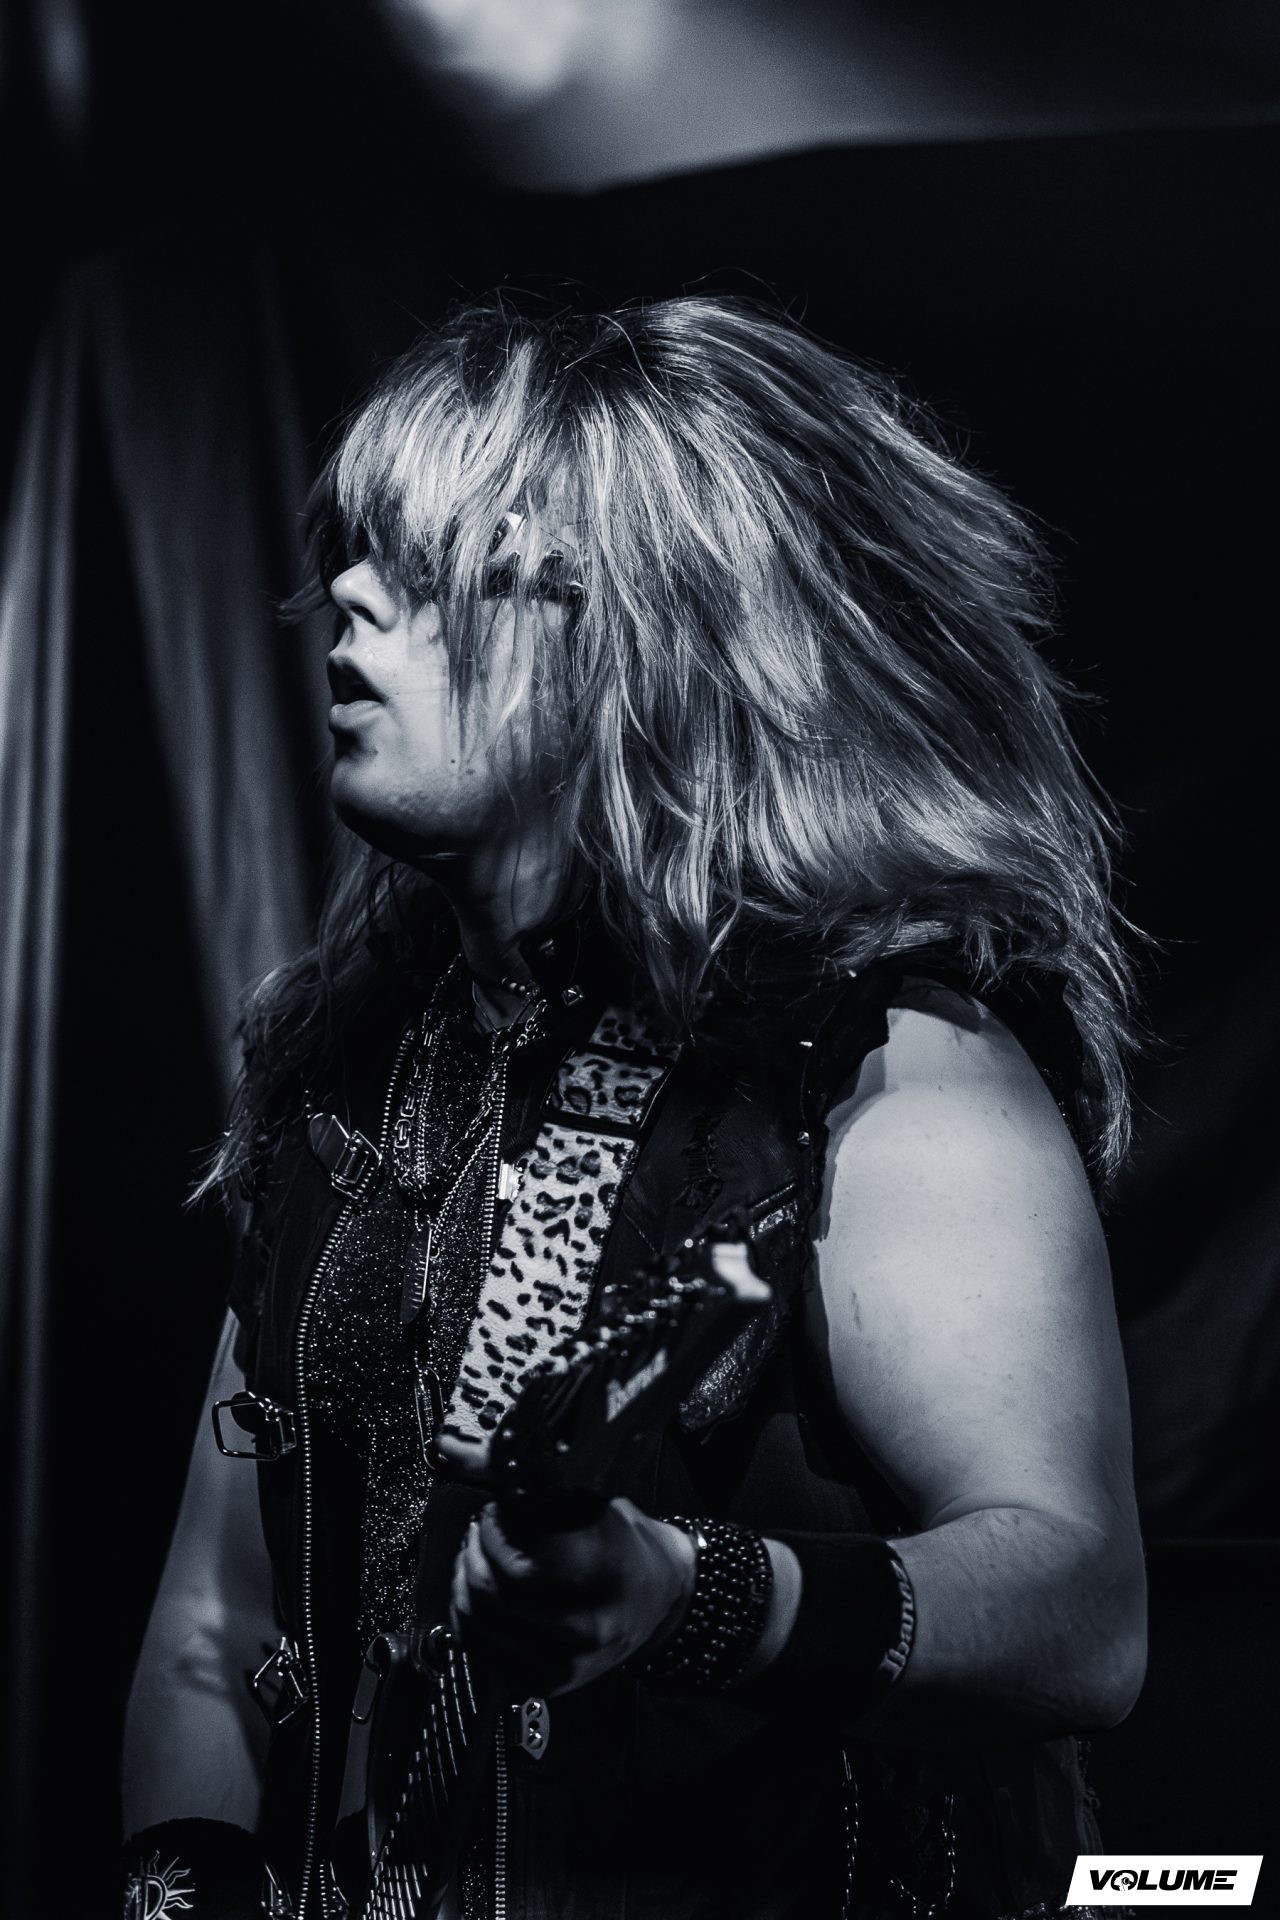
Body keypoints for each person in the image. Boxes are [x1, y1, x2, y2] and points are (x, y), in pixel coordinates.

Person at [123, 296, 1147, 1920]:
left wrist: (694, 1594)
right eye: (358, 553)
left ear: (642, 634)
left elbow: (1082, 1613)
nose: (352, 594)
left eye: (435, 565)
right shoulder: (344, 1073)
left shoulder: (886, 1068)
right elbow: (214, 1621)